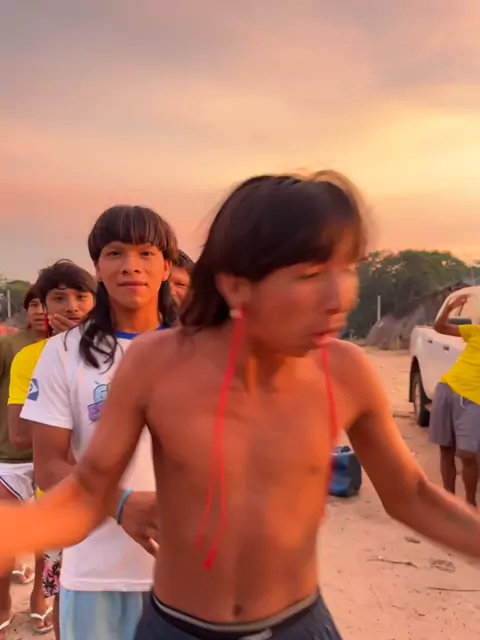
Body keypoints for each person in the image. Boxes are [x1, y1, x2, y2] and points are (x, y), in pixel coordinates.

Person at [2, 173, 480, 640]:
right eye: (310, 276)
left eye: (348, 269)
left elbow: (410, 494)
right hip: (177, 627)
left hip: (299, 624)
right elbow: (87, 490)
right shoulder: (156, 363)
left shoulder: (345, 370)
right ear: (235, 284)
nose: (339, 298)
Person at [20, 206, 177, 640]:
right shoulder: (62, 353)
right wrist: (119, 503)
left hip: (187, 577)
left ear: (166, 267)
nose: (130, 266)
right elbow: (49, 465)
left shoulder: (201, 350)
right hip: (95, 572)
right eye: (115, 253)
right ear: (98, 267)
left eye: (146, 253)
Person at [7, 260, 96, 638]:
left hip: (120, 496)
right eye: (59, 298)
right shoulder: (30, 358)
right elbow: (20, 435)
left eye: (81, 297)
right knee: (63, 592)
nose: (72, 307)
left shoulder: (123, 353)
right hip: (62, 496)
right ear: (44, 306)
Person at [0, 285, 48, 638]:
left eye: (46, 303)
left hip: (55, 455)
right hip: (10, 454)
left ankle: (38, 598)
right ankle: (3, 602)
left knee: (47, 538)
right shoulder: (10, 346)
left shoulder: (79, 348)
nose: (41, 311)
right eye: (34, 304)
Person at [430, 293, 480, 506]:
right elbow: (439, 327)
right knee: (445, 448)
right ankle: (448, 502)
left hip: (474, 400)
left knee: (468, 454)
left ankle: (469, 506)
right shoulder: (475, 332)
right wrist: (449, 308)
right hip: (447, 388)